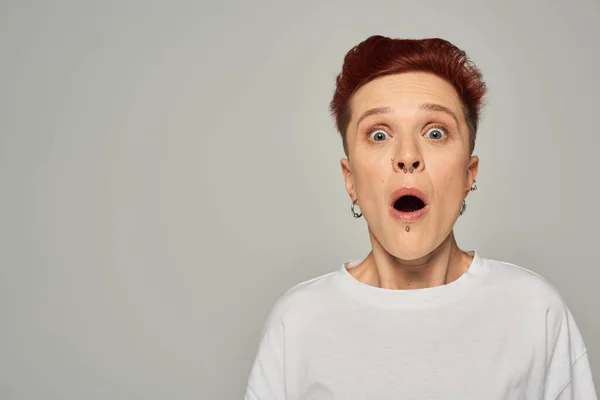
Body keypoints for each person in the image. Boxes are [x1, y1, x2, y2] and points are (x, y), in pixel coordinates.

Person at [244, 35, 597, 399]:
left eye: (435, 132)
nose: (408, 155)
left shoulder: (534, 312)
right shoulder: (299, 322)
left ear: (468, 175)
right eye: (379, 134)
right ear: (350, 180)